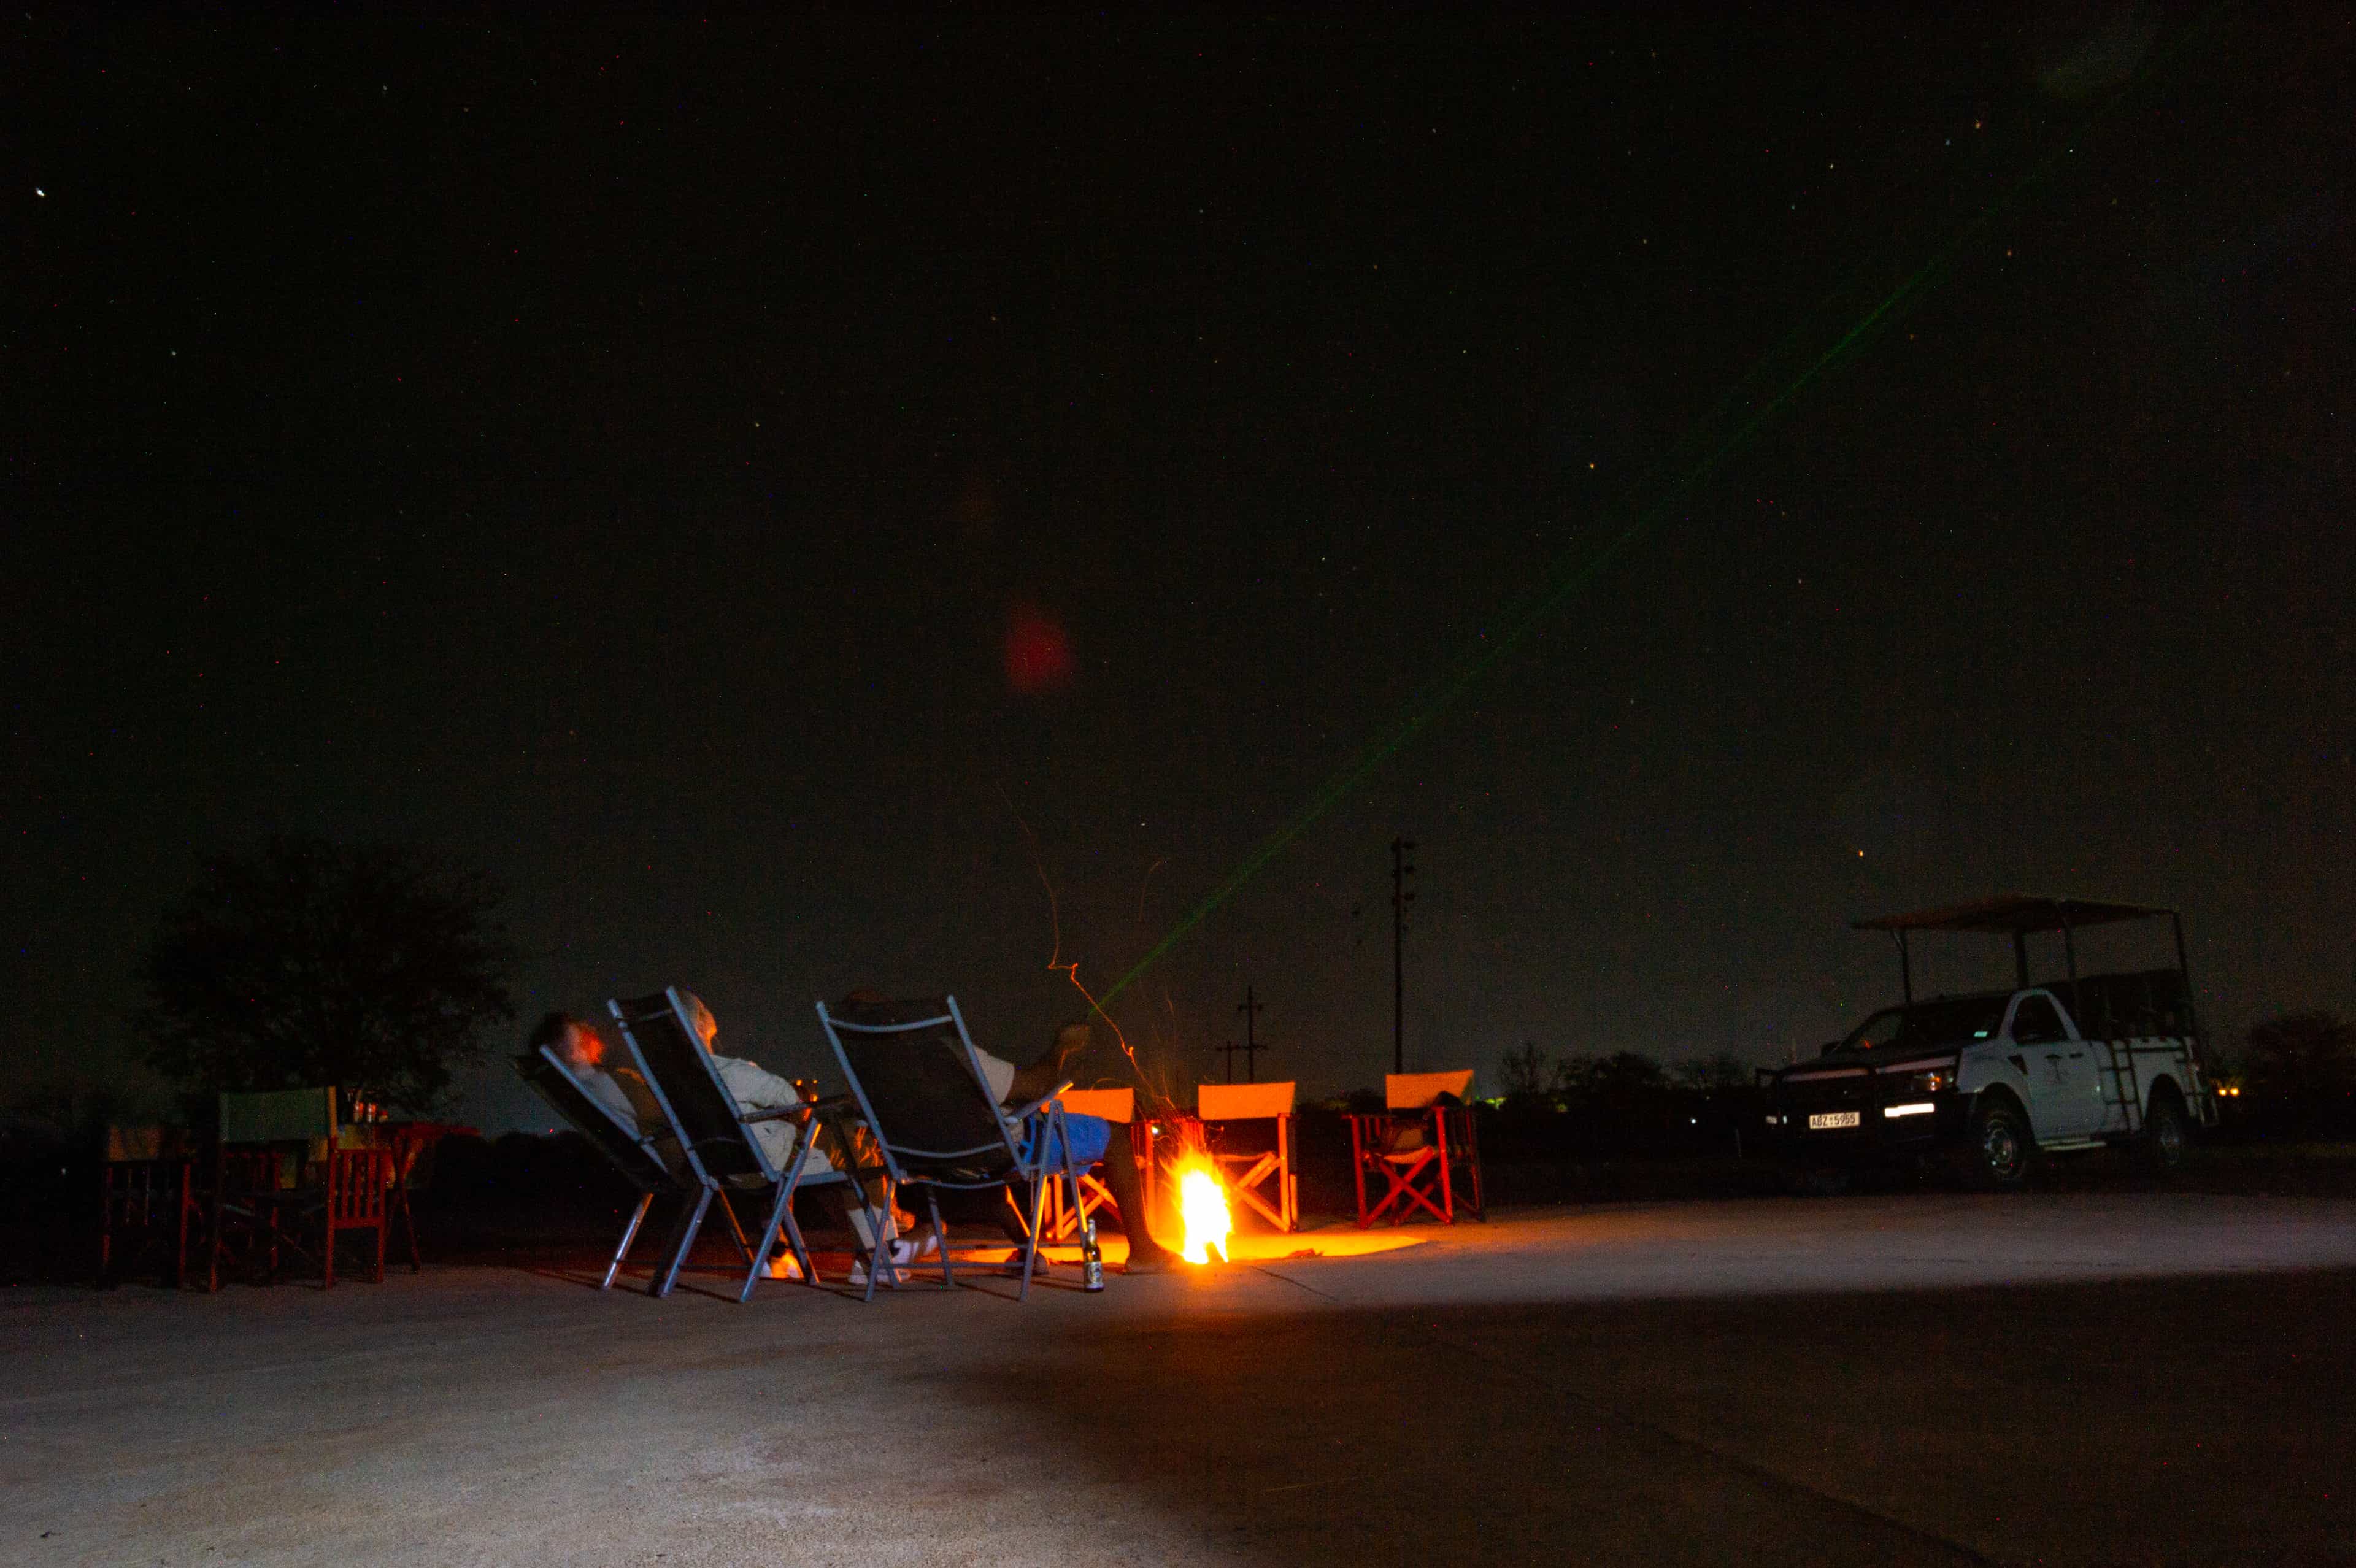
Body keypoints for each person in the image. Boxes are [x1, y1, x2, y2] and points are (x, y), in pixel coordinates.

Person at [836, 992, 1180, 1275]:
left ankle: (1026, 1253)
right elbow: (1035, 1086)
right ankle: (1144, 1252)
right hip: (999, 1149)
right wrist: (1061, 1047)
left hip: (931, 1162)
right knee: (1116, 1138)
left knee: (989, 1172)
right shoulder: (950, 1055)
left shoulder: (865, 1074)